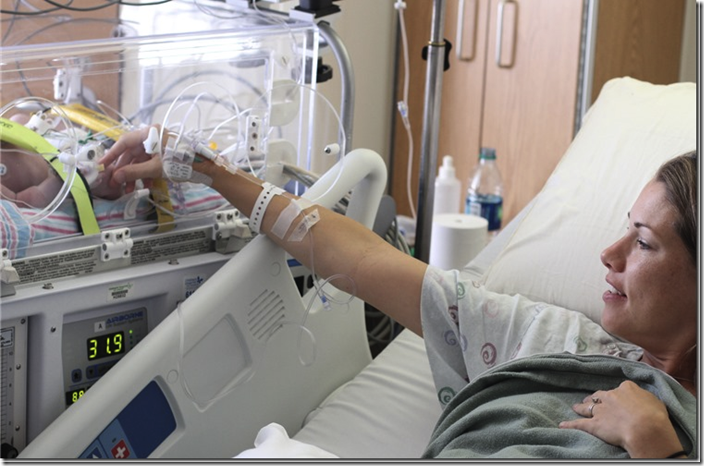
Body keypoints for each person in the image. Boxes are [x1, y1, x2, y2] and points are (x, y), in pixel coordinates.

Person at [100, 126, 696, 459]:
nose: (609, 253)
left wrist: (656, 447)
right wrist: (205, 167)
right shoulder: (555, 343)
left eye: (643, 243)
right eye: (623, 229)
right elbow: (362, 260)